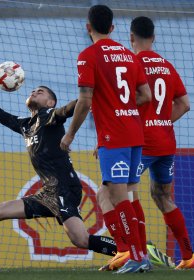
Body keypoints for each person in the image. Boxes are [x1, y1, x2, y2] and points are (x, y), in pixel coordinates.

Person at [0, 75, 118, 258]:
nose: (34, 91)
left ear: (50, 102)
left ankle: (132, 248)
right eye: (33, 90)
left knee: (80, 239)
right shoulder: (26, 124)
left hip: (64, 188)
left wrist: (86, 98)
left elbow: (66, 111)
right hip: (47, 192)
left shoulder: (49, 116)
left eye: (41, 91)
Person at [60, 5, 152, 273]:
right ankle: (131, 252)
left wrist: (70, 133)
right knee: (114, 194)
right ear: (112, 28)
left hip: (115, 135)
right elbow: (145, 95)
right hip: (134, 132)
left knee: (118, 195)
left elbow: (86, 99)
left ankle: (137, 256)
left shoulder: (88, 56)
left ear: (88, 28)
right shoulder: (128, 54)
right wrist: (122, 108)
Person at [130, 16, 192, 269]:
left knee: (122, 193)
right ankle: (189, 256)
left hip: (141, 143)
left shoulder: (132, 62)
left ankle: (137, 256)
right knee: (162, 196)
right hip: (166, 142)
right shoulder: (167, 65)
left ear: (131, 37)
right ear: (154, 37)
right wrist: (162, 121)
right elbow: (185, 104)